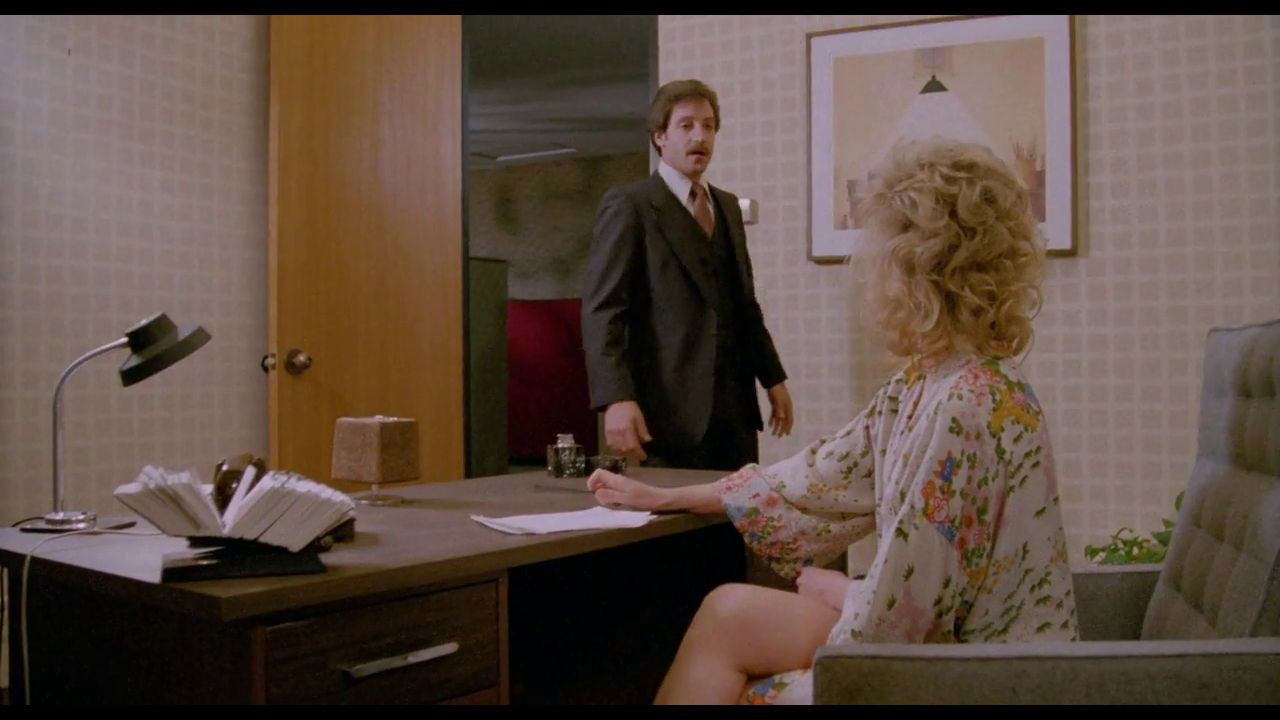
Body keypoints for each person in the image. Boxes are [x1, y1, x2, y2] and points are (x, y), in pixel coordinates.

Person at [585, 137, 1079, 704]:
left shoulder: (965, 407)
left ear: (911, 268)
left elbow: (904, 619)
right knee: (726, 611)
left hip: (979, 677)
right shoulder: (931, 382)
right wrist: (668, 497)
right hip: (942, 640)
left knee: (748, 685)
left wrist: (845, 593)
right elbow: (820, 475)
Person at [581, 79, 793, 471]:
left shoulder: (727, 207)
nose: (701, 136)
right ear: (660, 136)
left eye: (709, 126)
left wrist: (773, 379)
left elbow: (745, 305)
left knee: (738, 510)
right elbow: (603, 311)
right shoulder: (632, 206)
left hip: (735, 413)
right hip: (668, 414)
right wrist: (616, 399)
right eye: (687, 125)